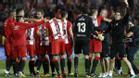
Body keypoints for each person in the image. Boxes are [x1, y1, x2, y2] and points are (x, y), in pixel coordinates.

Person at [10, 8, 44, 77]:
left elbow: (36, 33)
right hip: (24, 43)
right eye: (30, 17)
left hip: (30, 43)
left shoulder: (19, 24)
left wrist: (39, 34)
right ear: (28, 18)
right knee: (22, 58)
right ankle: (19, 71)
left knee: (31, 58)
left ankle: (30, 72)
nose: (32, 18)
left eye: (33, 16)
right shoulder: (25, 24)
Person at [107, 2, 136, 78]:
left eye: (118, 15)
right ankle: (110, 74)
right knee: (112, 58)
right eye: (116, 14)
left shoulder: (123, 21)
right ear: (114, 15)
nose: (117, 16)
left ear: (120, 16)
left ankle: (132, 72)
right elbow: (107, 30)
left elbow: (128, 13)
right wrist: (102, 33)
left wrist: (127, 5)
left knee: (124, 58)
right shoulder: (112, 22)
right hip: (113, 43)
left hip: (120, 43)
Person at [73, 4, 94, 78]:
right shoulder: (89, 18)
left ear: (81, 12)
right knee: (86, 56)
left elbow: (74, 30)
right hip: (85, 39)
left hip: (78, 38)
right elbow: (92, 29)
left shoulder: (77, 19)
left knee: (76, 55)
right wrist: (97, 35)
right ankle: (87, 73)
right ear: (88, 12)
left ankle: (75, 72)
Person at [47, 5, 66, 78]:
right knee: (62, 55)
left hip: (55, 40)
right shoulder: (62, 20)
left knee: (55, 57)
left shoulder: (49, 22)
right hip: (62, 39)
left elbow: (48, 33)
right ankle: (63, 71)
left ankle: (59, 74)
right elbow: (64, 31)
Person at [34, 9, 50, 77]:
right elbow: (36, 32)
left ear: (42, 15)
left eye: (39, 14)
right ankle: (42, 71)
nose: (37, 15)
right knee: (41, 56)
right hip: (38, 42)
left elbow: (49, 30)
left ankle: (45, 72)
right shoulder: (36, 23)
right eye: (37, 14)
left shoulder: (46, 22)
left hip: (45, 41)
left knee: (45, 57)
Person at [3, 8, 16, 77]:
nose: (15, 14)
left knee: (13, 56)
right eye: (14, 12)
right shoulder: (8, 21)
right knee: (9, 57)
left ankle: (14, 72)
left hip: (12, 41)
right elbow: (7, 33)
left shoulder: (13, 20)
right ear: (11, 13)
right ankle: (7, 72)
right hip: (8, 41)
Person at [61, 11, 74, 75]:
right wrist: (73, 42)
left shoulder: (58, 22)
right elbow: (71, 34)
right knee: (69, 57)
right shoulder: (68, 23)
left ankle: (63, 71)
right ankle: (69, 71)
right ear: (66, 15)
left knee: (62, 56)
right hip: (67, 42)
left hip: (60, 42)